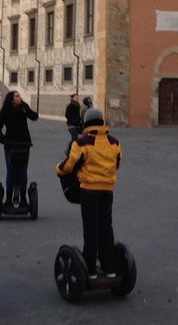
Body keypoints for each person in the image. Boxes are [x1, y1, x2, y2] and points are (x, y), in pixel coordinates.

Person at [56, 108, 122, 280]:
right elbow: (117, 163)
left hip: (89, 190)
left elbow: (70, 164)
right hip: (107, 191)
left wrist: (59, 169)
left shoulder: (82, 143)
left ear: (86, 123)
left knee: (91, 228)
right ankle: (109, 267)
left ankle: (90, 269)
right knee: (106, 227)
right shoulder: (114, 142)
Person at [0, 91, 39, 208]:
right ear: (12, 99)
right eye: (17, 96)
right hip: (11, 145)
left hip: (24, 145)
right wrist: (4, 140)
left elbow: (34, 117)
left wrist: (25, 109)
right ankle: (9, 199)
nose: (20, 98)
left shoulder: (24, 107)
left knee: (23, 171)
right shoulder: (6, 110)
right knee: (11, 171)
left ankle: (23, 198)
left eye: (20, 96)